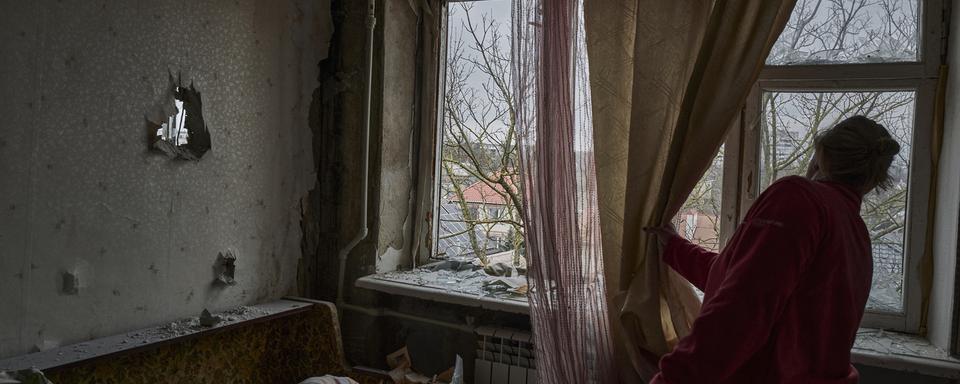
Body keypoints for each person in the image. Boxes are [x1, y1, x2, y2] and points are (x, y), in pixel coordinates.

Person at [644, 115, 901, 384]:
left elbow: (742, 307)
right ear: (872, 181)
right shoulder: (853, 230)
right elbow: (740, 276)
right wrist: (674, 247)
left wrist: (672, 379)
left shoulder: (799, 198)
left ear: (821, 156)